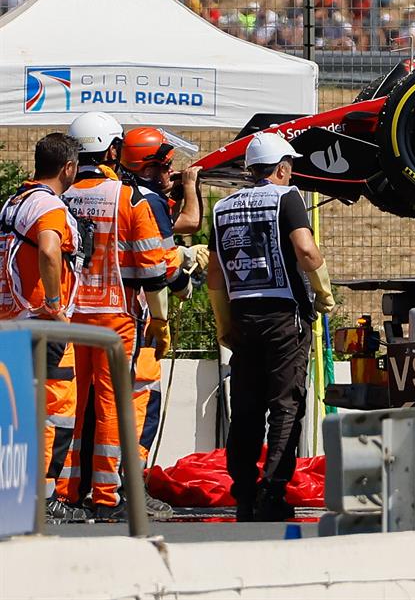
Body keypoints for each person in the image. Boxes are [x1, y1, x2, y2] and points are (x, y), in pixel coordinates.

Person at [55, 113, 187, 520]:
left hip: (70, 314)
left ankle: (67, 489)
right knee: (116, 404)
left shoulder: (61, 196)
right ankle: (108, 496)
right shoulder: (129, 199)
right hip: (118, 317)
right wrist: (180, 271)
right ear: (113, 150)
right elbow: (154, 270)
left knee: (76, 406)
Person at [208, 131, 336, 521]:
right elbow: (306, 249)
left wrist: (223, 322)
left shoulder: (223, 206)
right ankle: (273, 491)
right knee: (285, 406)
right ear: (282, 168)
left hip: (243, 317)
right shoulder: (287, 197)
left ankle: (244, 493)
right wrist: (324, 293)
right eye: (290, 166)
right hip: (284, 317)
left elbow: (215, 274)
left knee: (246, 407)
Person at [0, 132, 82, 518]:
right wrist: (55, 304)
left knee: (14, 412)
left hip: (12, 320)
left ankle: (15, 494)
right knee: (56, 409)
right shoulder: (47, 206)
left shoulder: (14, 201)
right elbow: (50, 250)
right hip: (41, 322)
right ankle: (44, 499)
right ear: (68, 167)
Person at [119, 126, 204, 477]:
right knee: (143, 401)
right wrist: (182, 286)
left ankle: (94, 490)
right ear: (149, 167)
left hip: (98, 313)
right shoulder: (147, 201)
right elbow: (160, 265)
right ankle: (130, 486)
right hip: (133, 315)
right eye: (166, 167)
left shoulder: (119, 193)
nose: (170, 173)